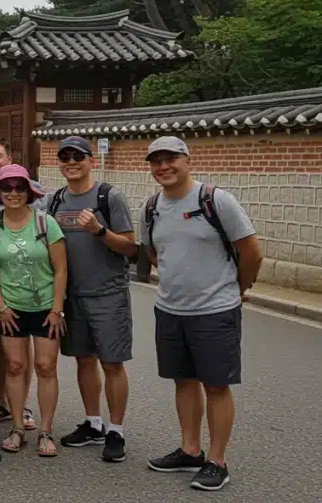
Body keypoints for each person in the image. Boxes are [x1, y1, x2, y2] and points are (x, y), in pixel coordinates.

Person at [141, 136, 261, 492]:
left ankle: (217, 460)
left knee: (217, 386)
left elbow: (251, 251)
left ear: (187, 160)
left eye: (170, 159)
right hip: (170, 308)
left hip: (214, 310)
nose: (163, 166)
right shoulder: (150, 207)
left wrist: (237, 288)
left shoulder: (215, 200)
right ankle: (190, 449)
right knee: (183, 381)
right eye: (156, 161)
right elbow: (153, 253)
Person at [46, 136, 136, 463]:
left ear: (90, 161)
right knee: (84, 359)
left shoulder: (109, 197)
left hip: (108, 293)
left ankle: (116, 430)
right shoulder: (55, 201)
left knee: (112, 363)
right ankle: (94, 422)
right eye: (65, 157)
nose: (71, 162)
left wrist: (99, 230)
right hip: (72, 295)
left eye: (78, 156)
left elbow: (130, 247)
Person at [0, 164, 67, 457]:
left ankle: (46, 430)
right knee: (14, 366)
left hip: (44, 308)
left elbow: (61, 268)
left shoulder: (46, 223)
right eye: (7, 188)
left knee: (45, 367)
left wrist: (57, 309)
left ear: (28, 191)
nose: (13, 193)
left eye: (19, 187)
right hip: (10, 308)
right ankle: (17, 427)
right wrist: (0, 306)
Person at [0, 135, 41, 429]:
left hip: (22, 282)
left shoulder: (25, 191)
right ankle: (2, 401)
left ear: (9, 159)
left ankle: (22, 404)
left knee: (19, 344)